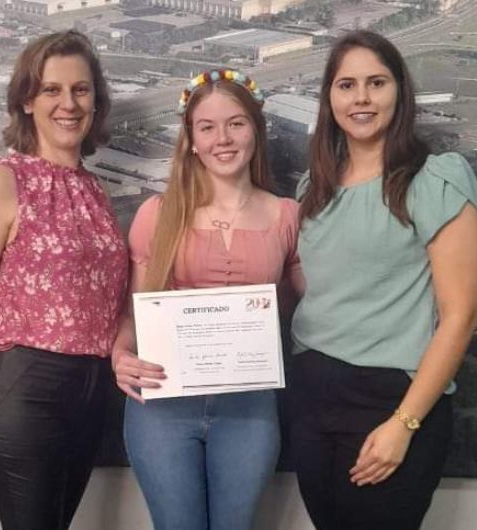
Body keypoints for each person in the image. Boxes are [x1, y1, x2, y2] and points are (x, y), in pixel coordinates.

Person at [290, 30, 477, 530]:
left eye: (376, 83)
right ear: (329, 98)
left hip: (390, 401)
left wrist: (404, 423)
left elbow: (461, 316)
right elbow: (328, 290)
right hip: (312, 398)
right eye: (346, 85)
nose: (361, 98)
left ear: (399, 91)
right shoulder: (314, 187)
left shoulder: (435, 180)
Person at [0, 30, 128, 530]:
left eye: (81, 90)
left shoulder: (95, 192)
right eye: (51, 90)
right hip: (26, 388)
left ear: (95, 100)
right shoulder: (1, 183)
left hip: (90, 392)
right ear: (27, 100)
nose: (69, 104)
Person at [111, 69, 303, 530]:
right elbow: (135, 312)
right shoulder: (158, 214)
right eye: (208, 127)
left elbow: (314, 310)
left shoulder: (287, 216)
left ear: (255, 130)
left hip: (249, 408)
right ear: (192, 140)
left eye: (236, 123)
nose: (223, 139)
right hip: (163, 404)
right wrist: (119, 354)